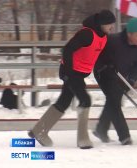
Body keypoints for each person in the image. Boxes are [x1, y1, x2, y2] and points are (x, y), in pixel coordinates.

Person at [28, 10, 116, 149]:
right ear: (101, 24)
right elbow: (68, 50)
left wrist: (109, 64)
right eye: (109, 24)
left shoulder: (103, 37)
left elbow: (97, 54)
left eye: (112, 24)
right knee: (85, 100)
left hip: (79, 73)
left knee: (64, 101)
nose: (112, 27)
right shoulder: (87, 34)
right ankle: (83, 139)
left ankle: (39, 130)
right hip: (71, 71)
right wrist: (69, 73)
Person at [93, 18, 137, 145]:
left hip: (124, 77)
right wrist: (105, 66)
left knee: (113, 99)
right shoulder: (113, 41)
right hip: (104, 73)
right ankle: (124, 136)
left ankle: (101, 128)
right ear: (129, 34)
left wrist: (132, 79)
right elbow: (97, 53)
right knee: (114, 100)